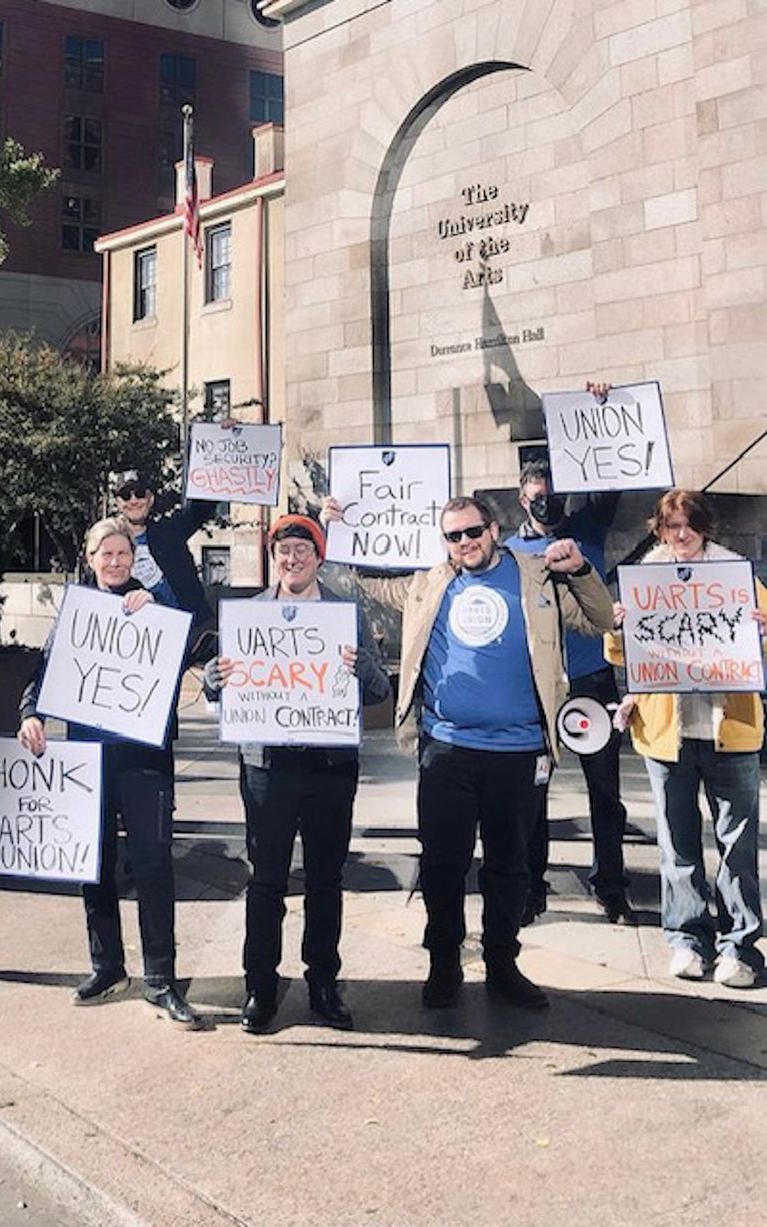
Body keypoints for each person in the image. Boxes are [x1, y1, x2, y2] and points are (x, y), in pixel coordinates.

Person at [324, 493, 615, 1010]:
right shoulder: (428, 583)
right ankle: (443, 963)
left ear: (494, 529)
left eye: (472, 532)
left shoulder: (538, 574)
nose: (465, 543)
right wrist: (339, 527)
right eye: (454, 536)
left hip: (520, 750)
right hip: (447, 750)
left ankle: (503, 964)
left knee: (509, 866)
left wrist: (583, 569)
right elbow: (361, 580)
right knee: (442, 864)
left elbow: (599, 620)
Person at [203, 515, 390, 1034]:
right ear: (273, 557)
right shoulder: (247, 618)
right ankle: (260, 987)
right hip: (268, 768)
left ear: (318, 558)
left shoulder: (345, 615)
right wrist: (214, 680)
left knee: (326, 880)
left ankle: (323, 984)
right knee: (265, 882)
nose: (292, 560)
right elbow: (219, 690)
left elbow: (378, 691)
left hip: (329, 766)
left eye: (303, 552)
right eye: (284, 551)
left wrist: (360, 668)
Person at [17, 516, 200, 1029]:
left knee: (153, 864)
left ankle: (161, 978)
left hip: (144, 758)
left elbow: (193, 638)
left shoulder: (158, 606)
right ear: (92, 558)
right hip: (88, 757)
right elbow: (45, 672)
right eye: (106, 555)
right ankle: (107, 967)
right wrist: (30, 713)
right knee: (92, 863)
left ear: (133, 559)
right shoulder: (75, 611)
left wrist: (159, 608)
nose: (115, 563)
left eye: (123, 554)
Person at [607, 489, 766, 988]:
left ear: (704, 528)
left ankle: (739, 945)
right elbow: (619, 656)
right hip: (664, 734)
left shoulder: (739, 579)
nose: (680, 535)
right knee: (677, 845)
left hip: (732, 732)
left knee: (736, 844)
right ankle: (685, 938)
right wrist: (618, 629)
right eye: (671, 526)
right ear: (659, 530)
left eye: (688, 525)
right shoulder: (645, 583)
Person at [505, 390, 631, 925]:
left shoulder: (588, 529)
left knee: (606, 794)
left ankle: (612, 885)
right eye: (538, 497)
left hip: (592, 680)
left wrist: (600, 411)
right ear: (522, 498)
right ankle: (533, 888)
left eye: (555, 497)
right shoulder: (508, 551)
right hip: (538, 688)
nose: (547, 505)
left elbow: (611, 477)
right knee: (534, 797)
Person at [110, 468, 220, 652]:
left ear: (150, 499)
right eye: (126, 496)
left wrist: (213, 464)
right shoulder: (109, 544)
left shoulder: (171, 530)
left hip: (194, 636)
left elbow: (202, 508)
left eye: (139, 493)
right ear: (118, 503)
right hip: (142, 642)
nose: (134, 500)